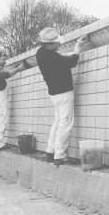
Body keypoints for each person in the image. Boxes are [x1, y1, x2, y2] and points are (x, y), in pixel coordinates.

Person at [36, 27, 88, 165]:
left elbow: (60, 59)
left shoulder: (40, 53)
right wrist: (78, 46)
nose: (59, 44)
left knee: (58, 122)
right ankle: (60, 155)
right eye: (56, 43)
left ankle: (50, 151)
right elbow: (72, 62)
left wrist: (66, 54)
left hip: (54, 94)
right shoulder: (51, 56)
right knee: (65, 123)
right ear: (49, 44)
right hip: (64, 93)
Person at [0, 51, 25, 150]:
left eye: (6, 59)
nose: (5, 62)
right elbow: (4, 74)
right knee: (2, 120)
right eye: (3, 59)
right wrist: (18, 69)